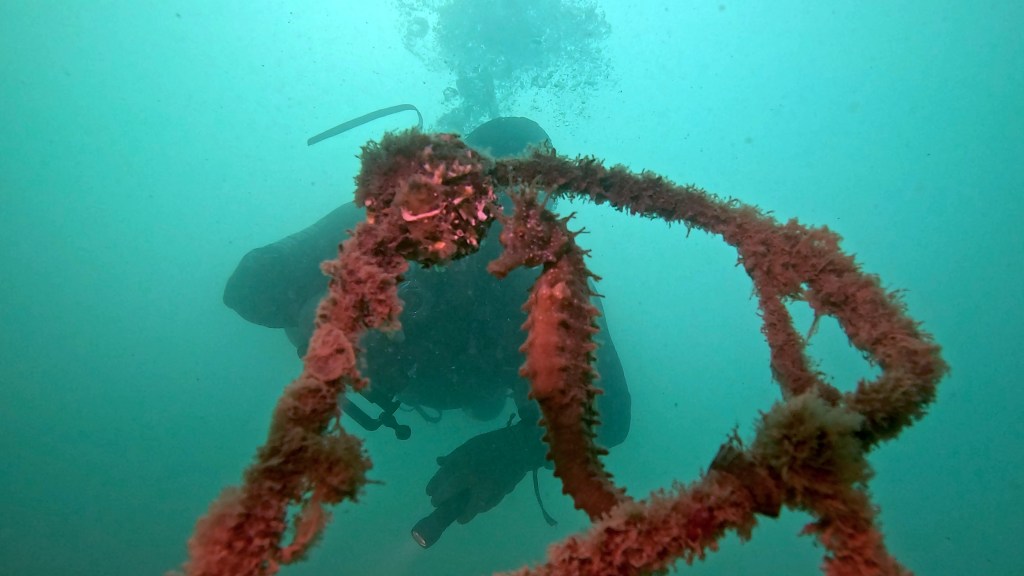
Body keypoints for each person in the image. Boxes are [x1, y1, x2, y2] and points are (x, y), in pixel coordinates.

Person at [222, 117, 631, 547]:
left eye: (523, 200)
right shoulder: (384, 220)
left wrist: (516, 450)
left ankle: (490, 405)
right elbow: (248, 286)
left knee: (493, 404)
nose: (494, 216)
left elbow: (611, 415)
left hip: (478, 382)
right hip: (418, 377)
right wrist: (328, 317)